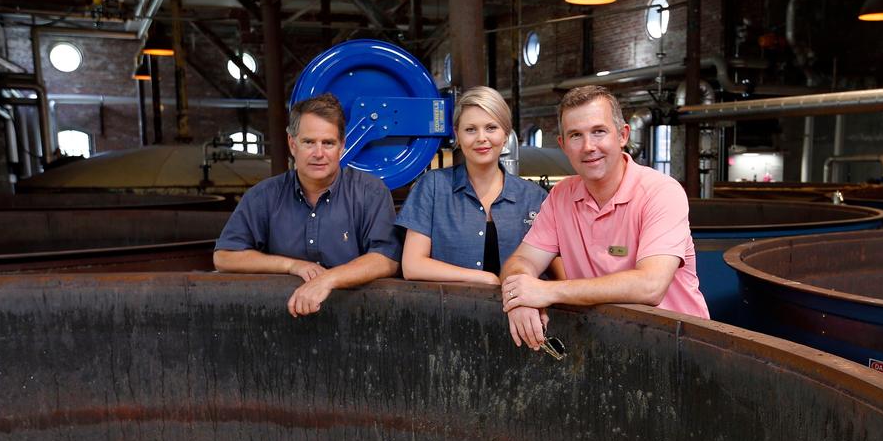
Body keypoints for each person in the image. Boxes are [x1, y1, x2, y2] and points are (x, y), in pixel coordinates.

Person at [501, 85, 708, 350]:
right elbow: (521, 260)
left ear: (622, 135)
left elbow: (650, 286)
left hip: (677, 348)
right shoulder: (561, 196)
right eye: (576, 135)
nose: (589, 147)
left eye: (599, 132)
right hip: (606, 345)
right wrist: (521, 297)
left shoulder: (661, 192)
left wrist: (547, 291)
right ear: (563, 145)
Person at [213, 93, 400, 317]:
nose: (318, 153)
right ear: (293, 144)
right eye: (309, 142)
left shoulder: (371, 193)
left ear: (342, 146)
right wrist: (292, 266)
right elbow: (224, 256)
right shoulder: (263, 196)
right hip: (281, 320)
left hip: (357, 319)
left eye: (328, 143)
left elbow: (387, 259)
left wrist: (327, 280)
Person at [395, 86, 547, 285]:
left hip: (518, 313)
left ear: (506, 135)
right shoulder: (432, 187)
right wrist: (484, 278)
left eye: (491, 128)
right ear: (457, 135)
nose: (481, 138)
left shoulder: (534, 197)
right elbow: (412, 265)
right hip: (447, 311)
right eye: (470, 129)